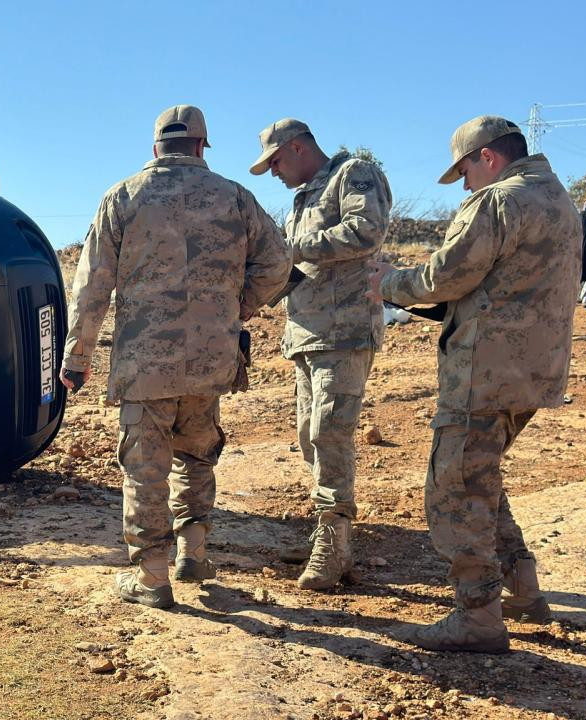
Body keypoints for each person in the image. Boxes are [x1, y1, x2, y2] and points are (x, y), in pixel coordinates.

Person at [61, 105, 291, 608]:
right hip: (212, 357)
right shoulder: (236, 197)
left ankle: (151, 578)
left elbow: (92, 286)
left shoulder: (123, 197)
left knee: (146, 466)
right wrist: (234, 308)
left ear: (155, 148)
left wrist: (76, 356)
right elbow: (278, 263)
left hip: (146, 361)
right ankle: (194, 549)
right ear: (203, 146)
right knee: (197, 452)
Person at [368, 116, 581, 653]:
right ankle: (524, 592)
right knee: (480, 476)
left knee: (455, 488)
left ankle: (478, 617)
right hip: (534, 370)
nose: (464, 184)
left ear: (487, 157)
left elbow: (445, 277)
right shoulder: (560, 200)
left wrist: (387, 284)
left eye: (464, 170)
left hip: (485, 372)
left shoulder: (498, 202)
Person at [249, 119, 392, 590]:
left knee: (330, 434)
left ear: (296, 148)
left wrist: (292, 247)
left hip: (345, 331)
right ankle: (330, 538)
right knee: (309, 436)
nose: (272, 172)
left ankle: (333, 544)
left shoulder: (352, 174)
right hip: (307, 335)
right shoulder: (302, 197)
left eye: (274, 161)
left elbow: (365, 230)